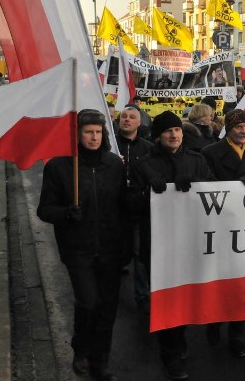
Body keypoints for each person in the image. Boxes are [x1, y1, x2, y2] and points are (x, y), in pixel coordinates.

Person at [37, 109, 127, 381]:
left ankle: (101, 360)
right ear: (77, 134)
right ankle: (81, 347)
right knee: (89, 302)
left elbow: (122, 207)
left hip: (111, 248)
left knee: (107, 308)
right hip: (78, 249)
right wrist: (66, 213)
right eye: (88, 132)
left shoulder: (114, 164)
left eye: (98, 132)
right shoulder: (59, 166)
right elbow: (44, 210)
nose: (94, 137)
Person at [130, 111, 216, 380]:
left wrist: (197, 185)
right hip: (159, 244)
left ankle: (177, 339)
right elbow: (129, 203)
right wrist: (147, 193)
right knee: (167, 299)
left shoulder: (197, 160)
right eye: (168, 131)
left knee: (186, 295)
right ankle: (171, 352)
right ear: (158, 135)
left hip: (191, 241)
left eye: (177, 130)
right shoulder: (144, 164)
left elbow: (214, 191)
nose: (174, 135)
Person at [201, 109, 245, 358]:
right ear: (229, 129)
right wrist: (234, 186)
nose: (244, 131)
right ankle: (214, 322)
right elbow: (206, 185)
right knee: (221, 282)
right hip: (222, 226)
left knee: (242, 283)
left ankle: (237, 334)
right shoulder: (210, 152)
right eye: (239, 127)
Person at [115, 106, 154, 315]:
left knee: (141, 252)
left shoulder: (148, 148)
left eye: (132, 117)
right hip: (115, 207)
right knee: (117, 251)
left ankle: (142, 294)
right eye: (124, 117)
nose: (127, 120)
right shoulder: (110, 145)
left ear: (140, 123)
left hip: (138, 208)